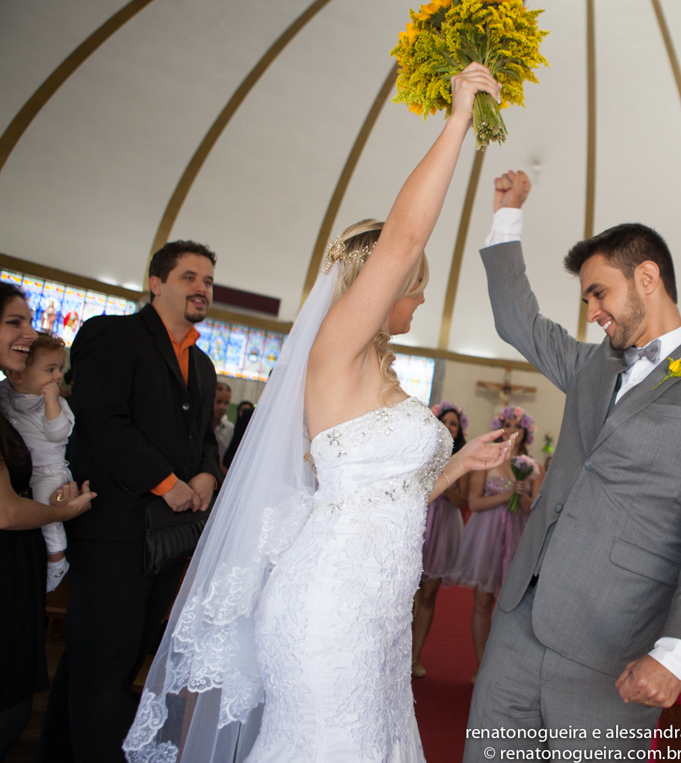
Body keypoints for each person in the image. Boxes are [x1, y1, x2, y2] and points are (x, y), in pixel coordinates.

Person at [121, 63, 514, 763]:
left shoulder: (379, 376)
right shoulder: (336, 348)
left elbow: (378, 496)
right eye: (414, 286)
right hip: (328, 606)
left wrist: (458, 464)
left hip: (378, 613)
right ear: (378, 284)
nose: (419, 298)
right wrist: (459, 120)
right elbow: (400, 239)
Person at [464, 169, 681, 759]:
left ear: (647, 277)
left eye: (599, 293)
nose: (592, 312)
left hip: (615, 644)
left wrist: (679, 652)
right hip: (519, 624)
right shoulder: (590, 365)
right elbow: (516, 320)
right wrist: (507, 217)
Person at [36, 239, 223, 763]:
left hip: (167, 537)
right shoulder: (111, 334)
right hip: (115, 529)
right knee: (106, 669)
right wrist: (169, 482)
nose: (202, 288)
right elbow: (102, 422)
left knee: (103, 661)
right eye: (190, 277)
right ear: (156, 284)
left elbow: (204, 437)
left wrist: (208, 473)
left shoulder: (203, 365)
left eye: (208, 280)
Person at [0, 284, 94, 759]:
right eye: (14, 322)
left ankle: (54, 556)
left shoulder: (34, 401)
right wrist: (65, 511)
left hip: (22, 549)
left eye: (29, 322)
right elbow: (6, 511)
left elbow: (58, 435)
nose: (28, 332)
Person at [452, 405, 542, 678]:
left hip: (517, 538)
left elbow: (536, 512)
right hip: (486, 537)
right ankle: (482, 664)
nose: (512, 430)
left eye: (517, 425)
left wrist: (522, 496)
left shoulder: (533, 466)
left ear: (525, 431)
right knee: (482, 603)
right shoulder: (486, 458)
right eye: (507, 424)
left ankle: (502, 667)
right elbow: (475, 503)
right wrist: (506, 496)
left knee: (511, 607)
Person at [0, 332, 74, 591]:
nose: (57, 376)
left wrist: (53, 401)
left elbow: (58, 434)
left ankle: (56, 559)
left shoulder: (57, 403)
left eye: (60, 369)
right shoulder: (6, 393)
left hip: (48, 472)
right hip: (18, 470)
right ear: (17, 374)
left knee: (46, 509)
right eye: (50, 369)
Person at [412, 400, 470, 679]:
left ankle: (415, 656)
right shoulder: (420, 451)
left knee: (428, 595)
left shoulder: (462, 460)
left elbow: (463, 502)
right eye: (445, 421)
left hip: (444, 526)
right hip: (418, 521)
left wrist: (445, 484)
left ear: (459, 432)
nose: (448, 426)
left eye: (454, 424)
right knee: (406, 591)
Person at [213, 382, 234, 464]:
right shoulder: (199, 426)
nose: (222, 407)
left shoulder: (230, 428)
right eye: (218, 402)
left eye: (226, 403)